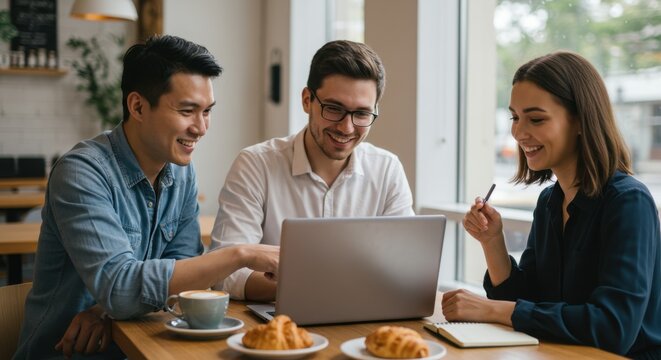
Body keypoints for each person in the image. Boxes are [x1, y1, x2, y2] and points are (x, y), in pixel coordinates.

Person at [14, 35, 279, 359]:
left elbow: (183, 285)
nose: (201, 127)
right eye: (187, 111)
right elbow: (120, 288)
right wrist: (240, 254)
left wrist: (107, 311)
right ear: (138, 106)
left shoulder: (181, 173)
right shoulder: (81, 172)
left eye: (207, 111)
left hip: (146, 347)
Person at [445, 51, 661, 358]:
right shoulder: (550, 200)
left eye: (535, 119)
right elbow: (529, 300)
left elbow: (614, 328)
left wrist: (492, 310)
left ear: (581, 121)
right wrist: (492, 242)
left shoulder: (628, 201)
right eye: (515, 117)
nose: (518, 133)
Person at [211, 40, 414, 301]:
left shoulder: (387, 169)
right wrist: (323, 289)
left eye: (361, 114)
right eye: (334, 109)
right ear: (307, 100)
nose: (347, 128)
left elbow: (405, 269)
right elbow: (225, 275)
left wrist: (321, 286)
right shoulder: (256, 164)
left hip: (364, 322)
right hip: (282, 326)